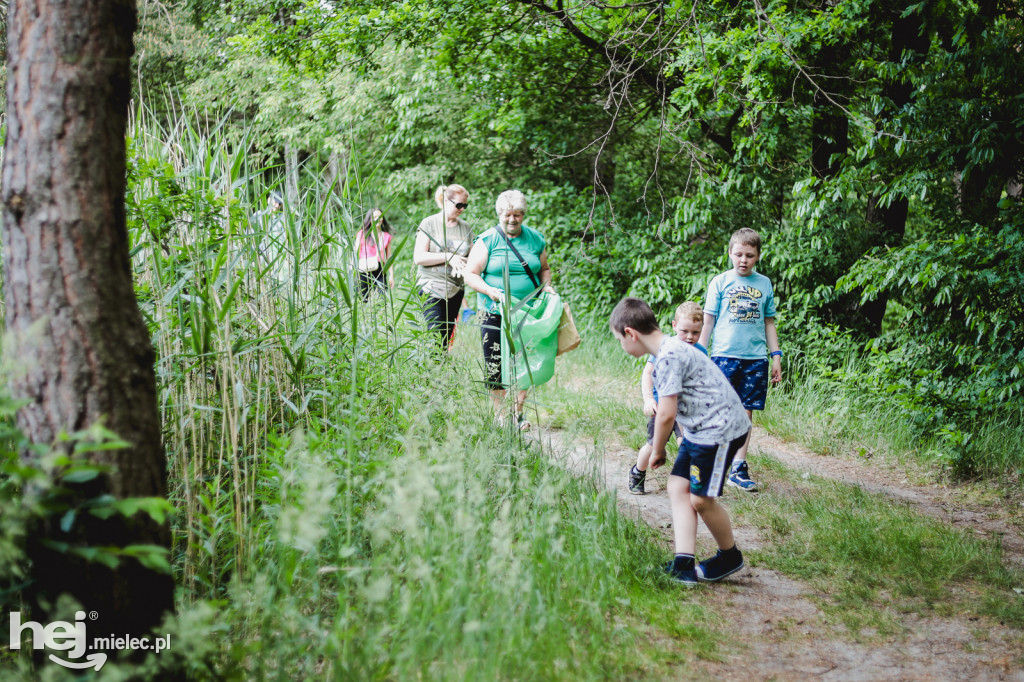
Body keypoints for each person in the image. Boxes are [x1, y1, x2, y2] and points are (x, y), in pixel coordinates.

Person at [611, 297, 750, 586]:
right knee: (677, 486)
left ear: (630, 334)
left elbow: (666, 414)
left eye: (619, 341)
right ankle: (684, 564)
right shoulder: (670, 350)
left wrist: (658, 449)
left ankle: (729, 556)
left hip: (719, 431)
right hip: (700, 431)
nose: (622, 348)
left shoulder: (668, 356)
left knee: (700, 499)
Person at [697, 227, 782, 493]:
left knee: (745, 412)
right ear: (730, 253)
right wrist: (700, 350)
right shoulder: (720, 282)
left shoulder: (764, 283)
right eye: (739, 254)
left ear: (758, 257)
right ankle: (711, 462)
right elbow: (708, 320)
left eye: (749, 255)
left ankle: (738, 466)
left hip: (755, 359)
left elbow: (769, 323)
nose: (743, 260)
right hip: (723, 355)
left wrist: (775, 356)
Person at [464, 190, 556, 430]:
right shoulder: (488, 240)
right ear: (499, 214)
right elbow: (470, 274)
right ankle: (499, 415)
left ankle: (517, 414)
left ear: (523, 215)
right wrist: (489, 291)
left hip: (528, 311)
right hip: (493, 310)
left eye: (517, 215)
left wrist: (547, 288)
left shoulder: (535, 239)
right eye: (508, 215)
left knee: (524, 361)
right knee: (495, 361)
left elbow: (544, 269)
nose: (512, 219)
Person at [629, 301, 707, 495]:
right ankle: (638, 472)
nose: (690, 337)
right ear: (674, 326)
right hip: (662, 407)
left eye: (695, 333)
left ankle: (687, 484)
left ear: (702, 330)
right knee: (653, 444)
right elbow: (648, 373)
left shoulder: (701, 353)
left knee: (686, 444)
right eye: (685, 331)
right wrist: (648, 399)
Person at [413, 184, 475, 350]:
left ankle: (440, 371)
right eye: (459, 205)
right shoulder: (429, 223)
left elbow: (474, 259)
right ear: (447, 201)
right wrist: (448, 257)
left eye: (465, 205)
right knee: (435, 336)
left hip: (455, 290)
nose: (462, 209)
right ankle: (430, 371)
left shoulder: (466, 228)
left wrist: (464, 264)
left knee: (445, 340)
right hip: (430, 286)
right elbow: (419, 257)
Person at [354, 208, 394, 301]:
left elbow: (389, 257)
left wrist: (391, 275)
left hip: (380, 270)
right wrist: (352, 269)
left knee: (381, 300)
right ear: (370, 219)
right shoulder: (362, 234)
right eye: (374, 216)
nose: (378, 219)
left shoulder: (386, 236)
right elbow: (355, 252)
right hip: (363, 269)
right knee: (362, 299)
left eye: (380, 216)